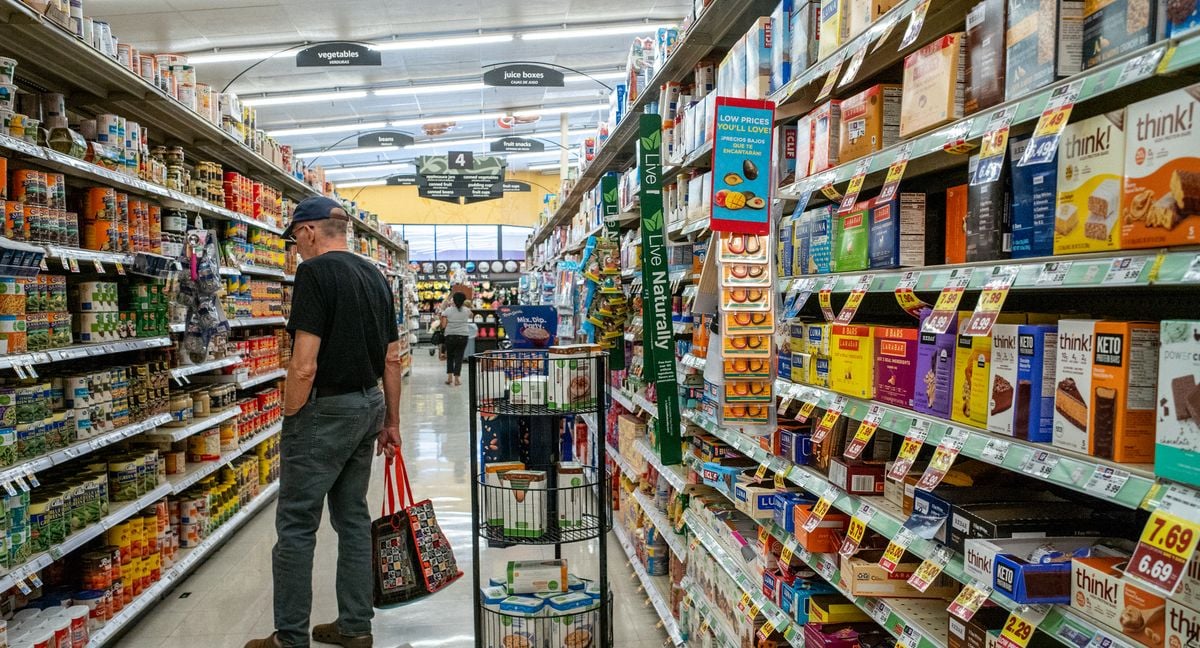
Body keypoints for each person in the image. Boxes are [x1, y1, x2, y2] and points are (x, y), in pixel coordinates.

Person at [247, 197, 403, 648]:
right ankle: (356, 626)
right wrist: (391, 420)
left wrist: (292, 416)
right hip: (369, 405)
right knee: (353, 518)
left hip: (325, 411)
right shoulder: (374, 274)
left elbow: (303, 365)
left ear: (310, 231)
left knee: (296, 524)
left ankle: (290, 637)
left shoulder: (313, 274)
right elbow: (391, 358)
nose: (295, 249)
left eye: (295, 237)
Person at [439, 291, 472, 386]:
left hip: (450, 336)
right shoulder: (466, 310)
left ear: (453, 300)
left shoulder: (448, 310)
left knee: (450, 357)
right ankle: (457, 379)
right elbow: (471, 315)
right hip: (463, 336)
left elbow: (444, 325)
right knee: (459, 357)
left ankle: (449, 378)